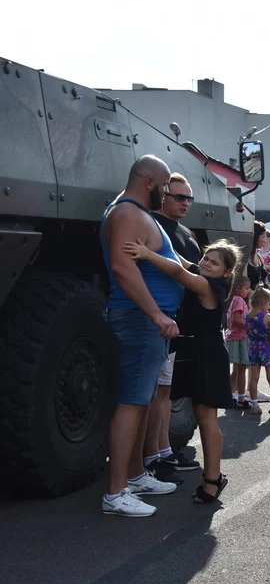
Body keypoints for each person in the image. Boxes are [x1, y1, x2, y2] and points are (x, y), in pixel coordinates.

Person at [124, 238, 241, 505]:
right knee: (202, 416)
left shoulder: (208, 285)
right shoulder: (203, 275)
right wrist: (161, 239)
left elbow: (177, 271)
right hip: (193, 352)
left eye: (214, 262)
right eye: (206, 258)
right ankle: (213, 478)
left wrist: (146, 253)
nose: (206, 263)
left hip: (207, 355)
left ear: (226, 272)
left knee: (206, 418)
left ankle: (213, 479)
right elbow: (183, 262)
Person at [99, 155, 181, 516]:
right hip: (139, 320)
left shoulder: (133, 213)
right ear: (150, 182)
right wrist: (155, 314)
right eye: (165, 186)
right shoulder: (128, 213)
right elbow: (121, 266)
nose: (167, 194)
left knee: (142, 400)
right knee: (132, 402)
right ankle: (115, 493)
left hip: (146, 321)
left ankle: (134, 475)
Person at [147, 172, 203, 481]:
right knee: (152, 391)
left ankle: (164, 450)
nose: (185, 203)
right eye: (179, 197)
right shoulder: (152, 226)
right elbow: (177, 265)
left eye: (189, 198)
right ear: (164, 196)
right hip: (160, 318)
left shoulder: (186, 232)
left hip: (180, 322)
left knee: (166, 391)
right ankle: (152, 456)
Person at [247, 286, 270, 415]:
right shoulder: (267, 317)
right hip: (267, 349)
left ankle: (254, 405)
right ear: (263, 303)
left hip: (253, 348)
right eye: (268, 303)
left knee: (253, 379)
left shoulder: (247, 315)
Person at [225, 277, 252, 408]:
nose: (248, 291)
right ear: (238, 289)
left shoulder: (231, 300)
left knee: (236, 370)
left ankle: (229, 396)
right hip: (240, 337)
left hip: (233, 336)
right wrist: (250, 324)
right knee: (241, 369)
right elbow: (237, 319)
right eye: (246, 288)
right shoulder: (239, 300)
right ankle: (241, 399)